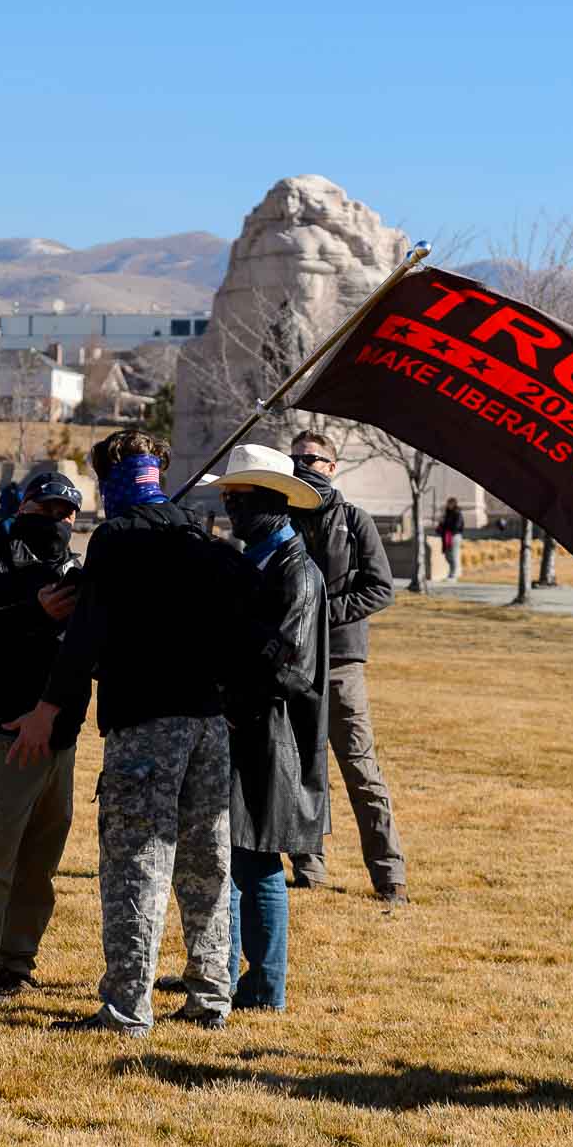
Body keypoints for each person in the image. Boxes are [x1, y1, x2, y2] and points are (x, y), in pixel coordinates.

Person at [6, 429, 251, 1036]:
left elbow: (86, 634)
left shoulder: (115, 540)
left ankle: (126, 1006)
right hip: (210, 723)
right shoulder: (199, 534)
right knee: (207, 861)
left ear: (108, 480)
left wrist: (49, 706)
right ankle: (211, 992)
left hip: (146, 721)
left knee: (137, 862)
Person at [0, 470, 89, 997]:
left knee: (39, 861)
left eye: (67, 513)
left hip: (59, 736)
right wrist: (35, 611)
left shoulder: (73, 567)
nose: (58, 521)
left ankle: (16, 960)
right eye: (47, 509)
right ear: (23, 506)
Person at [204, 444, 328, 1012]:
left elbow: (291, 666)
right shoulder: (254, 561)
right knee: (234, 855)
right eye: (228, 497)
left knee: (256, 860)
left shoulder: (295, 573)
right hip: (247, 729)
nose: (231, 510)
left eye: (240, 499)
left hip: (270, 734)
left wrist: (233, 700)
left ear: (272, 504)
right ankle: (224, 974)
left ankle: (261, 984)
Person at [285, 430, 409, 904]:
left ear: (332, 467)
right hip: (293, 664)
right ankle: (306, 865)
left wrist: (322, 613)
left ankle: (388, 875)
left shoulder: (353, 521)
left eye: (313, 459)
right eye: (295, 459)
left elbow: (381, 588)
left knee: (360, 769)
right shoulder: (282, 520)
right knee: (297, 767)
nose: (303, 465)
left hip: (340, 663)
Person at [436, 497, 465, 581]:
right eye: (448, 503)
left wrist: (446, 527)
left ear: (454, 504)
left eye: (450, 503)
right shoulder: (446, 513)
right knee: (447, 556)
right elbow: (442, 524)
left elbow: (457, 525)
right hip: (446, 536)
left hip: (455, 536)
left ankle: (454, 575)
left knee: (454, 555)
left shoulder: (457, 513)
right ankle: (452, 572)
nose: (448, 505)